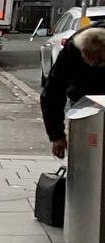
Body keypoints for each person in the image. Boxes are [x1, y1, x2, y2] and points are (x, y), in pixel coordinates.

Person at [45, 27, 105, 159]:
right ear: (82, 50)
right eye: (89, 58)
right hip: (83, 104)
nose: (94, 62)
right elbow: (52, 92)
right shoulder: (72, 50)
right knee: (85, 153)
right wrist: (57, 135)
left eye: (99, 59)